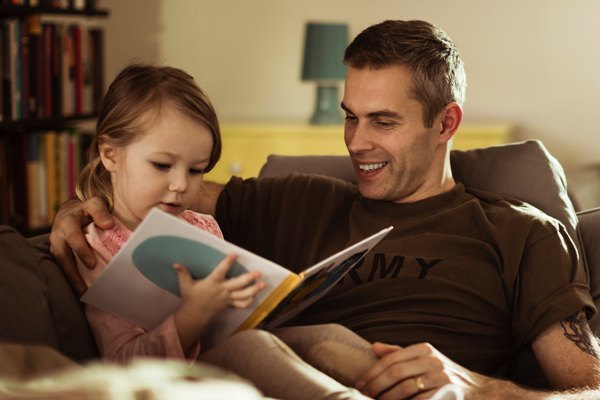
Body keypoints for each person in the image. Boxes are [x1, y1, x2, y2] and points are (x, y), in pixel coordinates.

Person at [50, 21, 600, 399]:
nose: (356, 143)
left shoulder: (521, 232)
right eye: (349, 117)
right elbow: (160, 183)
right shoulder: (296, 201)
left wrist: (477, 388)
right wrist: (80, 209)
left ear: (446, 124)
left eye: (383, 122)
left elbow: (589, 387)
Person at [69, 63, 376, 400]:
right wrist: (193, 314)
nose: (181, 185)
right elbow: (124, 365)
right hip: (175, 381)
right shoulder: (97, 252)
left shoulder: (200, 225)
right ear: (110, 154)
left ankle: (416, 389)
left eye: (196, 169)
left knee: (326, 336)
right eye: (161, 165)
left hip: (231, 358)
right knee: (251, 346)